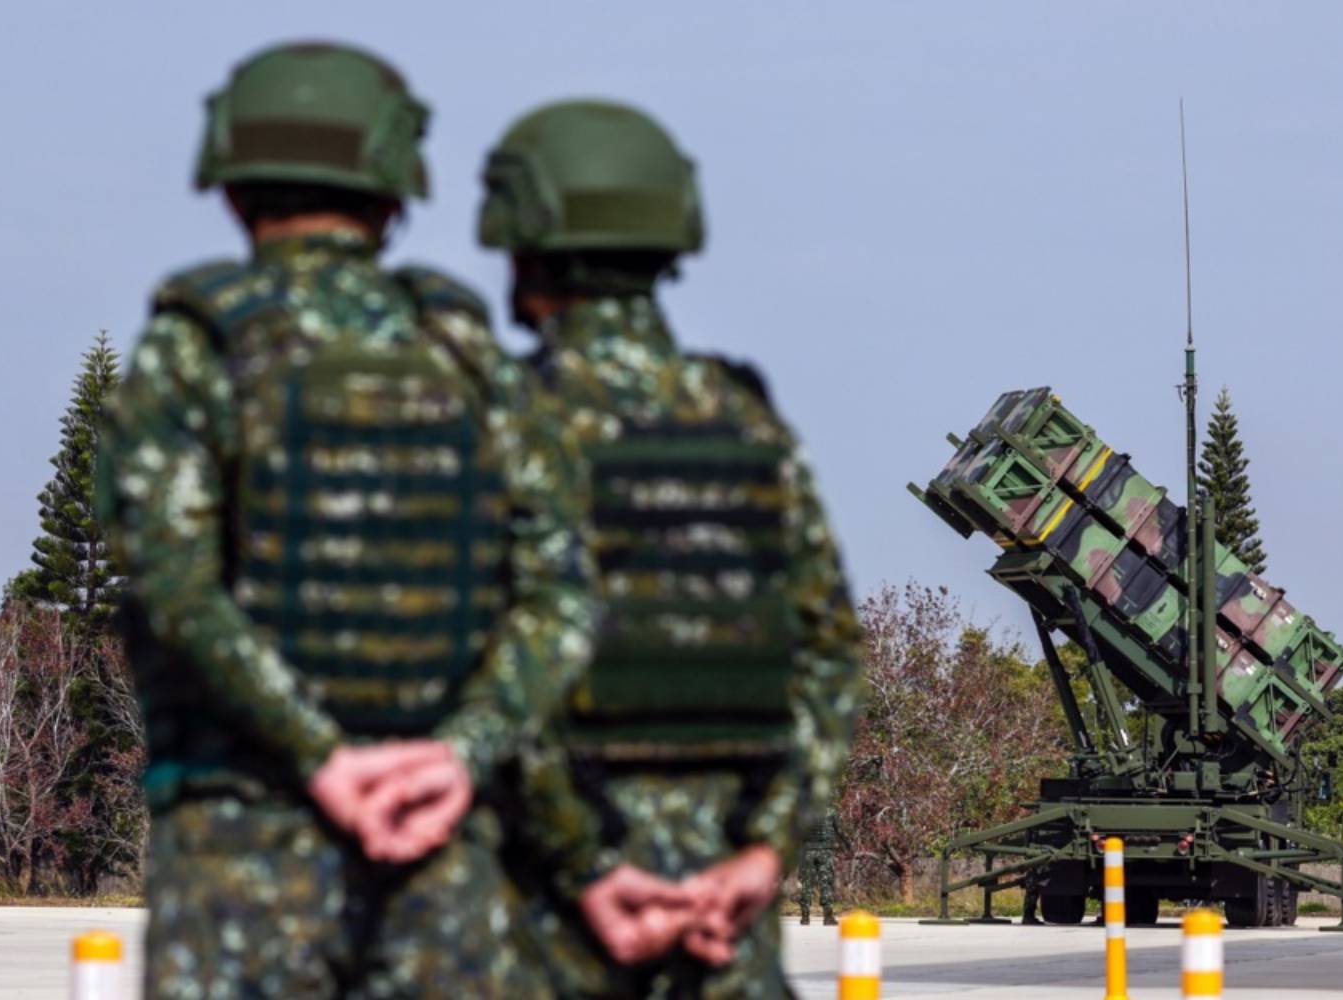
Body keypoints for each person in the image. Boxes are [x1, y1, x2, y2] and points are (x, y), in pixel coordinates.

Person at [98, 43, 611, 998]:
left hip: (240, 840)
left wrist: (321, 758)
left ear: (232, 188)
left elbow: (174, 588)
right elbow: (562, 597)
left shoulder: (195, 349)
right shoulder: (468, 361)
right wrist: (459, 756)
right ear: (393, 191)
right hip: (440, 843)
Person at [476, 99, 864, 998]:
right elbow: (830, 655)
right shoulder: (745, 425)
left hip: (553, 931)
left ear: (527, 243)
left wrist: (585, 864)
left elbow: (485, 679)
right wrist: (764, 852)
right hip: (728, 932)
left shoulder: (503, 426)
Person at [795, 808, 845, 926]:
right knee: (826, 883)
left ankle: (805, 917)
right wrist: (847, 844)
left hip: (808, 851)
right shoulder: (830, 811)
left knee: (806, 884)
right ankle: (828, 917)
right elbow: (840, 831)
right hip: (826, 851)